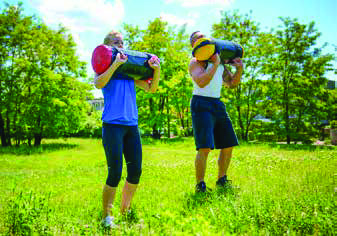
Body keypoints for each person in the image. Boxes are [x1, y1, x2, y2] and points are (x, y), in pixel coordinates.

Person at [94, 30, 160, 227]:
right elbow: (98, 83)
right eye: (116, 42)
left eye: (122, 42)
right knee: (114, 172)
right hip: (113, 126)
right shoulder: (106, 67)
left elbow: (151, 88)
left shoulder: (130, 73)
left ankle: (125, 210)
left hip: (131, 127)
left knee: (135, 171)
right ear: (108, 46)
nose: (121, 45)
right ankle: (107, 217)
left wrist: (156, 70)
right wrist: (115, 64)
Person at [188, 31, 243, 193]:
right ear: (193, 45)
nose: (202, 40)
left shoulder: (219, 63)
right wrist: (215, 63)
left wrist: (239, 69)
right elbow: (202, 82)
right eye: (197, 39)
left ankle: (222, 180)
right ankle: (200, 185)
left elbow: (231, 84)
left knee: (228, 143)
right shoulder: (195, 62)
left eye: (203, 37)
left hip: (217, 103)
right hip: (201, 103)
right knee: (204, 147)